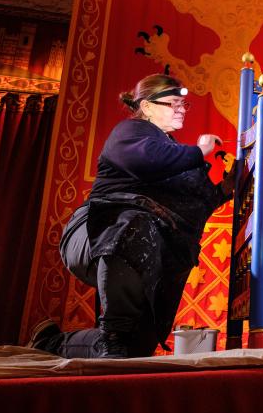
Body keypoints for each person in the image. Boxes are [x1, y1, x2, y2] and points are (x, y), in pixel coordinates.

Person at [29, 74, 233, 358]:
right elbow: (146, 161)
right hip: (98, 232)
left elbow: (197, 203)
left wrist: (228, 187)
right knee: (136, 222)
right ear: (146, 106)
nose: (181, 110)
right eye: (173, 103)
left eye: (183, 104)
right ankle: (113, 331)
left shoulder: (174, 152)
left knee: (136, 346)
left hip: (145, 250)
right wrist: (200, 150)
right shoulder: (131, 132)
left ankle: (50, 344)